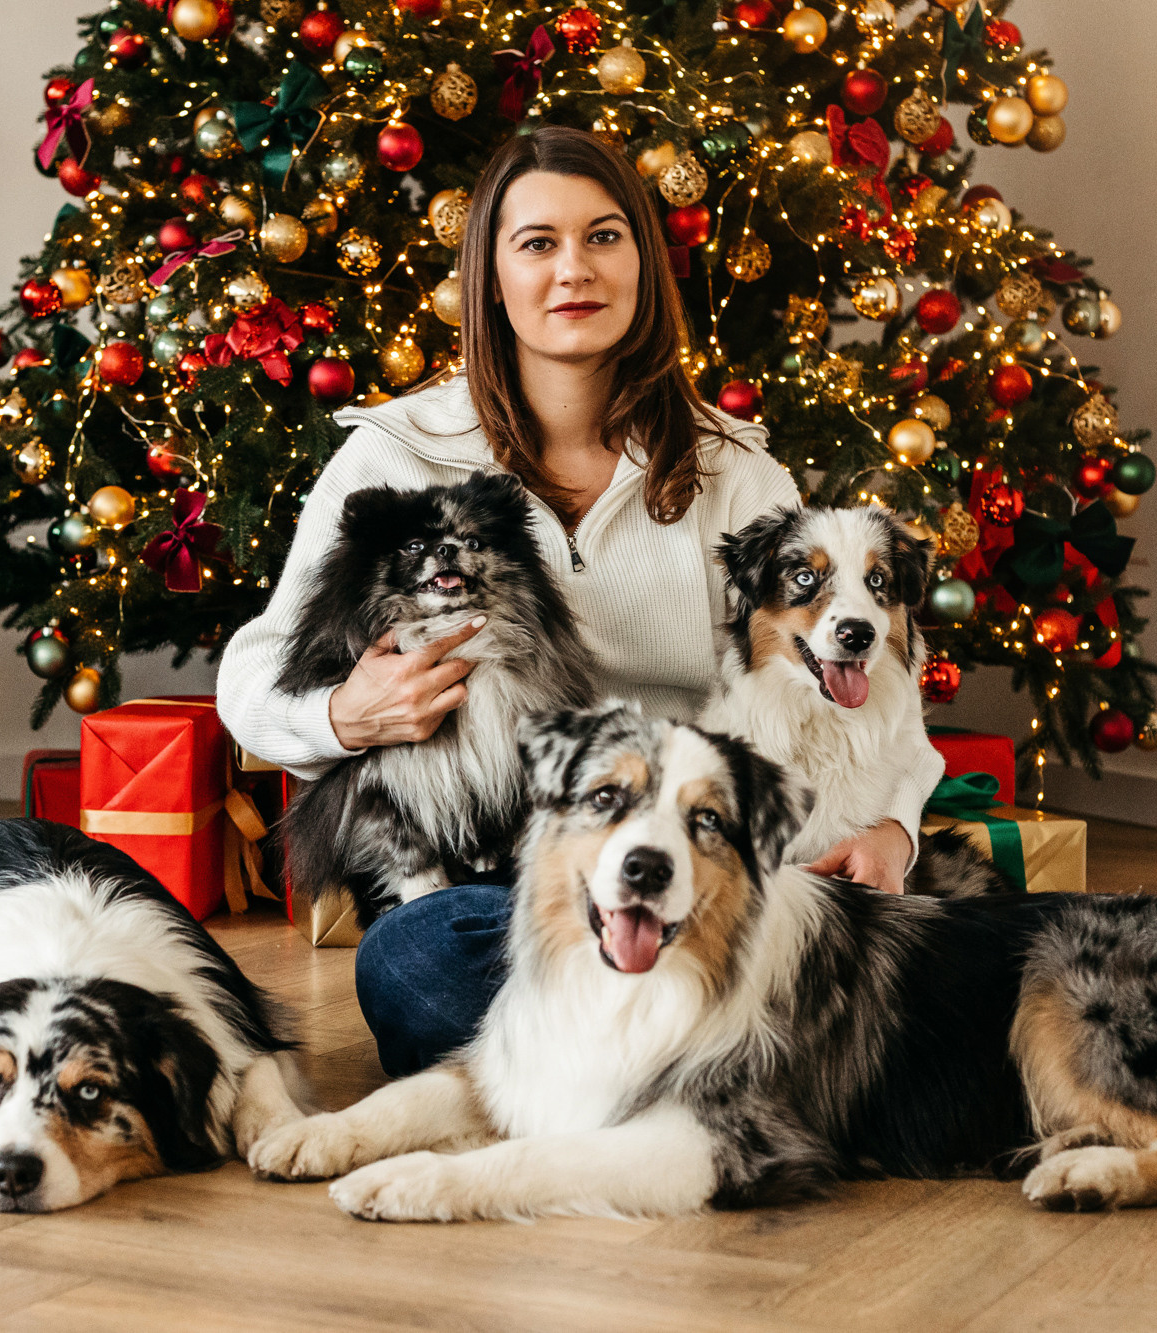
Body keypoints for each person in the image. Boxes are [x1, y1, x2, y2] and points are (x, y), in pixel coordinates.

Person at [216, 127, 942, 1077]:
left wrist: (894, 828)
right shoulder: (397, 456)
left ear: (643, 260)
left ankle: (591, 1064)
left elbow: (870, 691)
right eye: (537, 243)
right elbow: (250, 677)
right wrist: (343, 717)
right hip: (497, 883)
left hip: (690, 858)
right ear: (491, 275)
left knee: (858, 949)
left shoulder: (734, 471)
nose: (575, 270)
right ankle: (700, 1059)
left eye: (604, 237)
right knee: (417, 961)